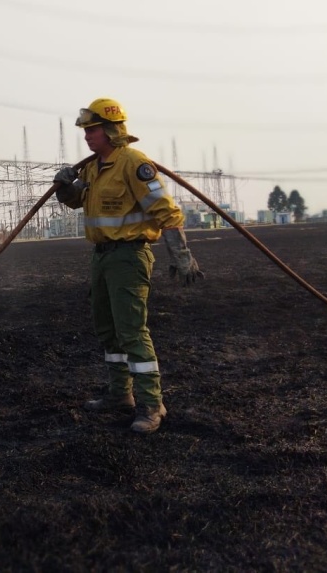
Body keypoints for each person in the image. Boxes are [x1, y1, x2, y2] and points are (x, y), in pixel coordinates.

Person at [53, 97, 203, 434]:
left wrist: (181, 255)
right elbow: (78, 201)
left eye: (92, 130)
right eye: (86, 130)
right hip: (102, 256)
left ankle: (151, 404)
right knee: (108, 329)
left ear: (111, 130)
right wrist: (65, 187)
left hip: (128, 256)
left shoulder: (134, 164)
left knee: (132, 331)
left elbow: (166, 211)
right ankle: (120, 394)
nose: (87, 136)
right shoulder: (93, 167)